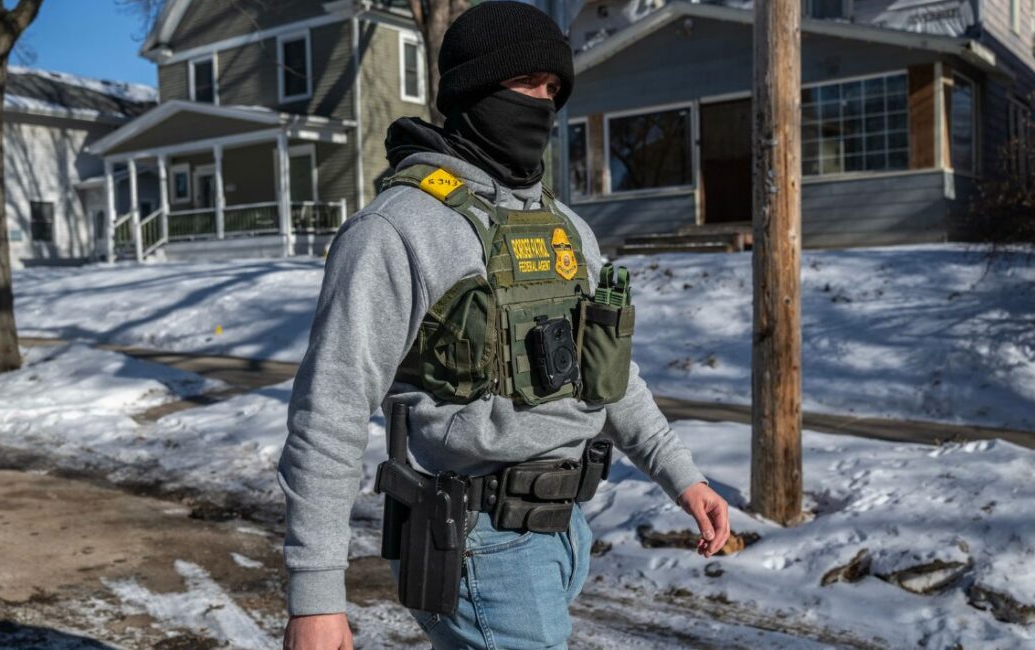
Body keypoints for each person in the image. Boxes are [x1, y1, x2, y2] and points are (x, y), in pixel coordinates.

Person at [279, 3, 730, 648]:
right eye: (525, 83)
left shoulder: (566, 228)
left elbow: (609, 373)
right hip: (476, 541)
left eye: (553, 89)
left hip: (564, 532)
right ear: (472, 89)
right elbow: (331, 408)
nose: (541, 104)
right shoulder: (398, 228)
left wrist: (683, 476)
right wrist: (316, 596)